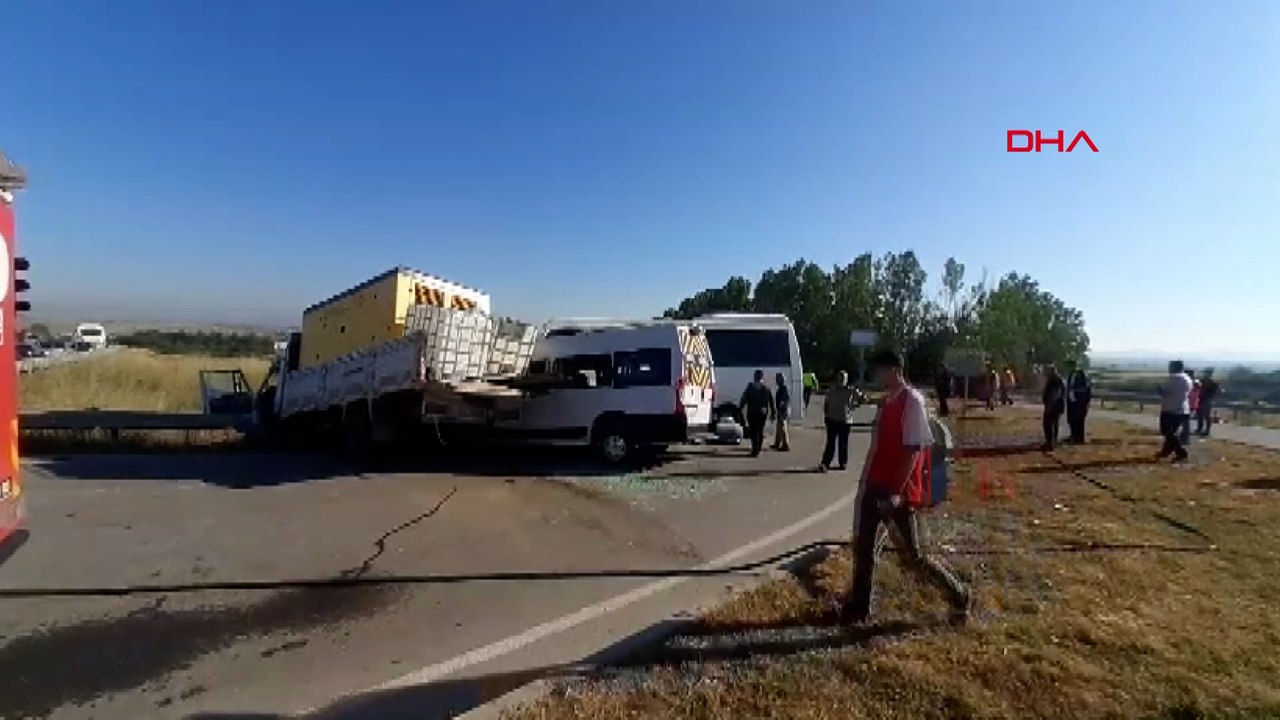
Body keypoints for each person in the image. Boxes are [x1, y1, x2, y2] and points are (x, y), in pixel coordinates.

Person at [839, 349, 971, 625]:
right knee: (864, 549)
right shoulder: (889, 400)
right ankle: (859, 607)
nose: (876, 375)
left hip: (896, 491)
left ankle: (959, 595)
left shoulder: (913, 401)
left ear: (894, 370)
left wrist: (896, 493)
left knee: (915, 557)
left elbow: (912, 451)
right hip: (874, 485)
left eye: (879, 370)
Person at [820, 370, 858, 471]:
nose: (841, 380)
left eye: (843, 378)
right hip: (832, 419)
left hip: (845, 421)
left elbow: (862, 398)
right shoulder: (831, 390)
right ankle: (825, 463)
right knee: (830, 443)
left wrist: (854, 406)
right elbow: (826, 403)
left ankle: (843, 463)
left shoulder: (850, 390)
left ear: (846, 380)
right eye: (840, 378)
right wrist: (826, 415)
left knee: (843, 443)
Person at [1157, 360, 1193, 462]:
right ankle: (1166, 451)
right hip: (1182, 408)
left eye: (1170, 366)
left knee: (1168, 431)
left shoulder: (1174, 378)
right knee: (1172, 432)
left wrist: (1159, 389)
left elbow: (1165, 392)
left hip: (1170, 408)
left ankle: (1180, 452)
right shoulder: (1187, 378)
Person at [739, 369, 776, 457]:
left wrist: (740, 408)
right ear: (762, 377)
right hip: (762, 413)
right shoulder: (766, 388)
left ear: (755, 377)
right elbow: (771, 402)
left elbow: (744, 399)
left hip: (752, 412)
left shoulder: (750, 388)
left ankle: (755, 449)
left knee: (753, 431)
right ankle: (758, 449)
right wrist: (773, 413)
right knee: (760, 431)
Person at [1065, 360, 1093, 444]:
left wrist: (1085, 401)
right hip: (1071, 401)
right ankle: (1073, 436)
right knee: (1071, 420)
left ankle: (1079, 438)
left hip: (1080, 402)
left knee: (1079, 421)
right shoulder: (1070, 375)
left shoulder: (1081, 374)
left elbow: (1086, 389)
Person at [1041, 363, 1065, 450]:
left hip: (1054, 406)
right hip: (1055, 405)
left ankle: (1051, 443)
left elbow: (1056, 394)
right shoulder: (1054, 379)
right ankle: (1051, 442)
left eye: (1047, 370)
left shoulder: (1055, 379)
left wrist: (1049, 406)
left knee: (1049, 424)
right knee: (1053, 424)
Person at [771, 372, 792, 452]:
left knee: (782, 427)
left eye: (777, 378)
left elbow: (784, 400)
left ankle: (785, 445)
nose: (776, 380)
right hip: (782, 409)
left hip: (783, 410)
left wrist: (780, 408)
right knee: (778, 427)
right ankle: (777, 443)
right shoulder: (782, 388)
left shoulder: (783, 388)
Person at [1197, 369, 1221, 437]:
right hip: (1200, 399)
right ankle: (1200, 428)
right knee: (1200, 415)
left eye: (1207, 373)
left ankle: (1207, 430)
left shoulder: (1213, 383)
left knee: (1207, 416)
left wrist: (1214, 398)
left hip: (1208, 400)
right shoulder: (1202, 381)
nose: (1205, 375)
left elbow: (1218, 391)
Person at [1182, 370, 1200, 445]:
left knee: (1185, 422)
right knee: (1185, 422)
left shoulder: (1192, 383)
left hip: (1190, 404)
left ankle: (1185, 439)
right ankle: (1184, 437)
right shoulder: (1194, 382)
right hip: (1192, 404)